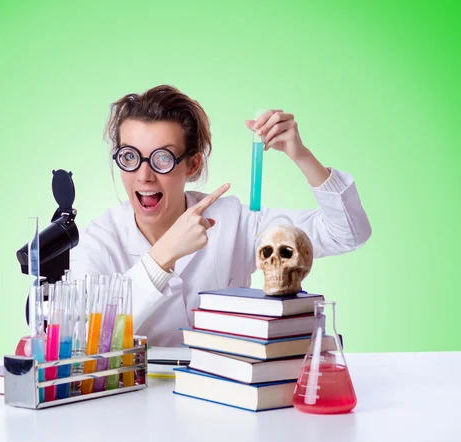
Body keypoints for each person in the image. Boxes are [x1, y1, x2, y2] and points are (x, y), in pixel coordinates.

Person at [69, 84, 372, 347]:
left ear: (194, 165)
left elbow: (346, 233)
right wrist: (163, 255)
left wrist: (301, 154)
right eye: (130, 157)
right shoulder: (100, 240)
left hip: (226, 394)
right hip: (139, 399)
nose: (144, 175)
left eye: (162, 158)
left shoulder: (232, 222)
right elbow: (84, 336)